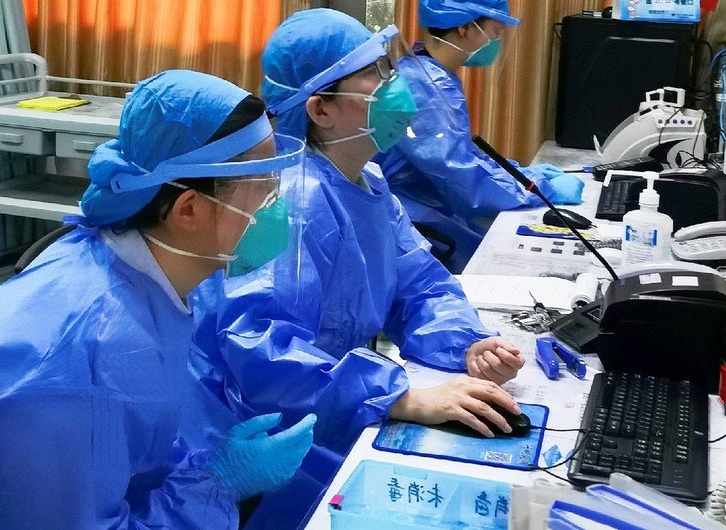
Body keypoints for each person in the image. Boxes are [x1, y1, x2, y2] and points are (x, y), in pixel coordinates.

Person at [0, 70, 316, 529]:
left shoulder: (138, 270)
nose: (279, 208)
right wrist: (217, 484)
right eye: (264, 189)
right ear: (189, 209)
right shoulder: (85, 358)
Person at [190, 9, 525, 527]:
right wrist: (400, 396)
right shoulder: (292, 202)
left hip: (331, 399)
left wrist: (467, 344)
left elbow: (419, 285)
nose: (396, 85)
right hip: (268, 432)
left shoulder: (367, 182)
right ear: (322, 109)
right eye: (377, 74)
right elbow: (261, 350)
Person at [374, 0, 585, 272]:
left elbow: (463, 154)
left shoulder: (429, 74)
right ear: (464, 28)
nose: (497, 41)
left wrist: (520, 174)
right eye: (495, 32)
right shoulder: (426, 88)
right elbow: (460, 174)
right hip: (417, 226)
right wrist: (541, 190)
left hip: (430, 211)